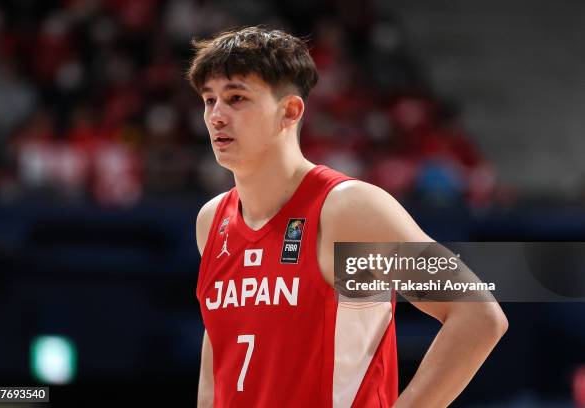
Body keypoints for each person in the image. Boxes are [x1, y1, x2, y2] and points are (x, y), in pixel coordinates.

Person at [188, 26, 507, 408]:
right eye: (209, 100)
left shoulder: (347, 210)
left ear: (289, 111)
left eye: (236, 98)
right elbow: (219, 352)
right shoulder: (213, 221)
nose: (216, 116)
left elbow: (477, 316)